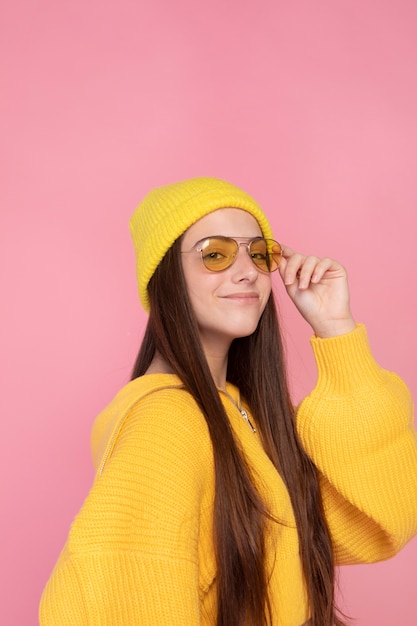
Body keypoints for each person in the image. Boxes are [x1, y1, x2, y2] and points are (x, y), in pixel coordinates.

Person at [39, 177, 417, 626]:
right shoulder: (165, 423)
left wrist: (337, 330)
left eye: (258, 253)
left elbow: (378, 521)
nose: (248, 271)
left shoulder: (242, 414)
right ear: (164, 277)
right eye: (215, 254)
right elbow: (124, 602)